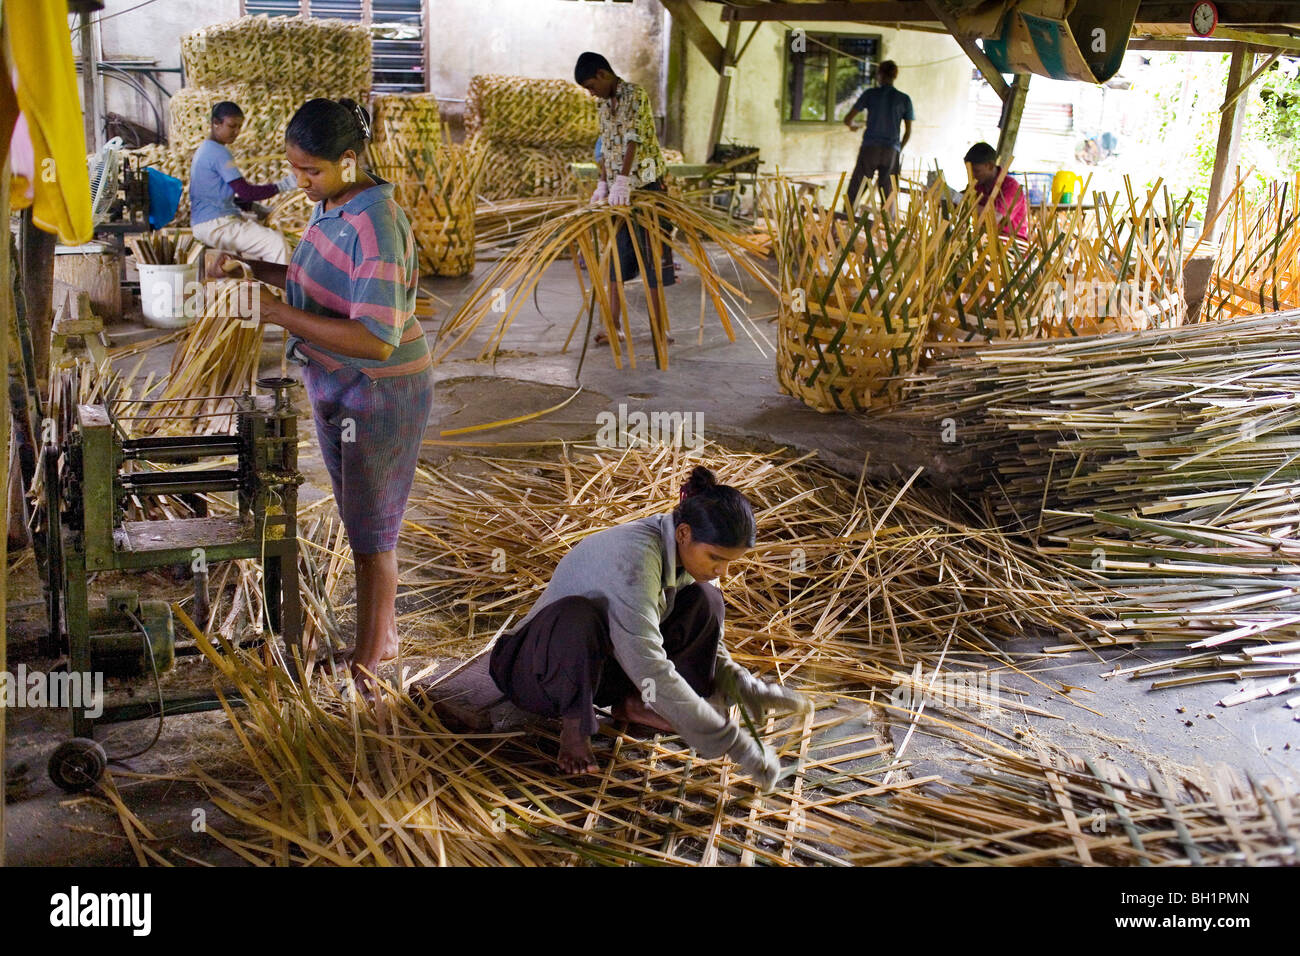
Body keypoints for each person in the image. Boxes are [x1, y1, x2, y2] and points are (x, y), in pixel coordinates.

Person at [206, 98, 435, 685]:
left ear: (350, 160)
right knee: (359, 518)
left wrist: (277, 313)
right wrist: (248, 270)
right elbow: (312, 283)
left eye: (312, 170)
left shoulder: (377, 225)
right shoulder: (333, 206)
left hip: (379, 389)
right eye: (295, 169)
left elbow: (377, 339)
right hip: (337, 382)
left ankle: (369, 663)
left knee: (372, 531)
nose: (301, 182)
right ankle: (381, 637)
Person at [488, 466, 812, 789]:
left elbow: (711, 643)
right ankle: (575, 728)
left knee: (706, 598)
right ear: (683, 533)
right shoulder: (635, 560)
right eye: (716, 558)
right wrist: (734, 744)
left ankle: (636, 703)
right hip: (535, 674)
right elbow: (649, 666)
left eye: (729, 562)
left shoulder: (688, 553)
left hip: (602, 666)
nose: (722, 571)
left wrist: (740, 683)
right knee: (578, 616)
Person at [574, 51, 674, 347]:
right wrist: (603, 182)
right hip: (620, 194)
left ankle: (659, 328)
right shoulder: (604, 105)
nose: (591, 93)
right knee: (617, 257)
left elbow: (633, 139)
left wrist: (623, 179)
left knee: (650, 258)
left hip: (647, 186)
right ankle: (613, 326)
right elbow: (605, 147)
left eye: (591, 86)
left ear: (603, 74)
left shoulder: (635, 95)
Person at [190, 102, 297, 264]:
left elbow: (218, 195)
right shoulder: (218, 152)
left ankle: (262, 279)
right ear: (216, 123)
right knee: (276, 244)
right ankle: (280, 281)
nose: (236, 132)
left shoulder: (205, 149)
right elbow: (246, 192)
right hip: (216, 225)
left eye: (239, 127)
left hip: (208, 223)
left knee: (259, 235)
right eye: (232, 126)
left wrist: (253, 207)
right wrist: (283, 186)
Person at [842, 60, 913, 210]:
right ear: (895, 76)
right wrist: (898, 148)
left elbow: (848, 119)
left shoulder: (870, 94)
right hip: (891, 150)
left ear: (879, 74)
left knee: (857, 189)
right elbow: (908, 132)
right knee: (889, 194)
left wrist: (854, 126)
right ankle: (889, 223)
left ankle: (845, 220)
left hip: (870, 148)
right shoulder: (904, 99)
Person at [964, 141, 1029, 240]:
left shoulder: (1011, 186)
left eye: (976, 171)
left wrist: (962, 200)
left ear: (990, 166)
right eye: (969, 172)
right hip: (986, 239)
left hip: (1011, 243)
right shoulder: (978, 185)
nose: (972, 176)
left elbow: (994, 217)